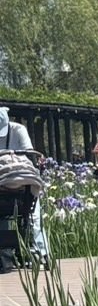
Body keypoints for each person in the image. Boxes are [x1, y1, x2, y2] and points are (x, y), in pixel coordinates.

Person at [0, 106, 48, 262]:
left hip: (21, 181)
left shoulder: (18, 130)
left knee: (32, 214)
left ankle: (39, 251)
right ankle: (6, 253)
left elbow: (29, 155)